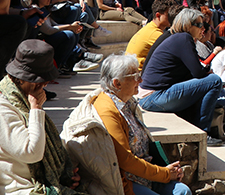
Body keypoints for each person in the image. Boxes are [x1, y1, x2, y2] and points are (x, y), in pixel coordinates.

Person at [61, 54, 189, 195]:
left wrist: (167, 171)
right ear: (117, 84)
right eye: (135, 76)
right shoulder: (107, 110)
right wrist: (164, 174)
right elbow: (126, 161)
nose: (140, 80)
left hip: (146, 174)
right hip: (125, 181)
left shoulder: (128, 103)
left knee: (183, 191)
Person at [0, 40, 83, 195]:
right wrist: (36, 109)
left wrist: (64, 175)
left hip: (36, 184)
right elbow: (31, 153)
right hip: (20, 189)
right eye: (40, 82)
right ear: (22, 79)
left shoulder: (19, 101)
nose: (44, 86)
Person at [137, 8, 224, 146]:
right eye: (200, 25)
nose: (203, 28)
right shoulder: (184, 38)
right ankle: (203, 131)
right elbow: (197, 72)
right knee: (214, 81)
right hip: (153, 97)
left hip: (153, 95)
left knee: (211, 82)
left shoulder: (178, 38)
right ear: (188, 25)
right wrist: (207, 71)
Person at [126, 0, 177, 69]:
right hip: (139, 74)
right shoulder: (155, 34)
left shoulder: (150, 28)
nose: (172, 17)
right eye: (169, 14)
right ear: (158, 15)